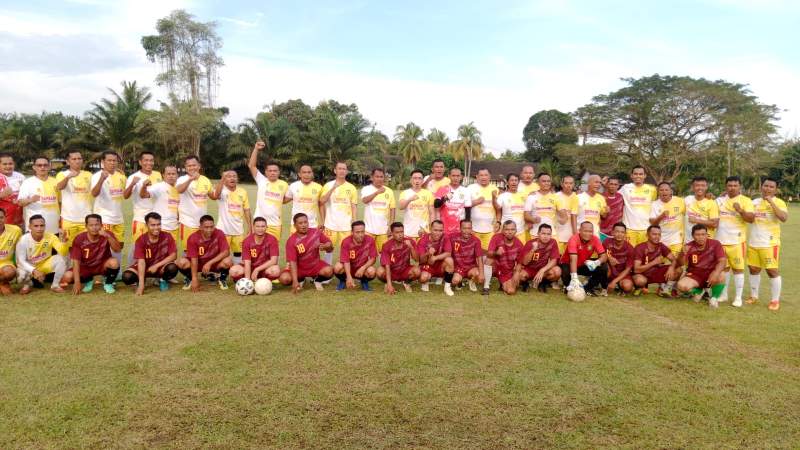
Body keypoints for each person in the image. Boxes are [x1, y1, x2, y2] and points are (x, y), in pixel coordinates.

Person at [747, 177, 788, 311]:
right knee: (753, 269)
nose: (768, 189)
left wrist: (771, 202)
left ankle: (775, 300)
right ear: (761, 187)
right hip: (754, 242)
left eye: (771, 187)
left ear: (775, 190)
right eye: (766, 186)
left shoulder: (779, 202)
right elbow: (746, 215)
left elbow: (783, 218)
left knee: (772, 271)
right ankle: (754, 296)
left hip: (770, 243)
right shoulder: (754, 202)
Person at [715, 176, 754, 307]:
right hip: (720, 241)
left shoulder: (746, 201)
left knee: (738, 270)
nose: (732, 188)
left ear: (740, 186)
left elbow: (751, 219)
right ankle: (724, 295)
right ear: (726, 186)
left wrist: (740, 210)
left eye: (735, 185)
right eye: (730, 185)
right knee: (724, 270)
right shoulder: (719, 200)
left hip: (737, 242)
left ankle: (738, 298)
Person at [121, 212, 179, 295]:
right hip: (145, 267)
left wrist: (156, 266)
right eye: (153, 225)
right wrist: (141, 286)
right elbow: (141, 262)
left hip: (160, 267)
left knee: (172, 268)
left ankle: (162, 280)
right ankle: (141, 281)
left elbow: (174, 255)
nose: (156, 228)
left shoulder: (167, 236)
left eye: (158, 224)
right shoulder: (141, 240)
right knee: (127, 277)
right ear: (146, 225)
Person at [63, 214, 121, 295]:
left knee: (114, 263)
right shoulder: (79, 239)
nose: (94, 227)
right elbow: (76, 262)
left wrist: (107, 236)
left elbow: (117, 250)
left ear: (101, 225)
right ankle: (88, 280)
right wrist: (77, 282)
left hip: (102, 265)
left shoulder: (107, 234)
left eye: (97, 225)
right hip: (85, 268)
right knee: (67, 277)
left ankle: (108, 283)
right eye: (91, 225)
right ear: (86, 226)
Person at [675, 224, 727, 308]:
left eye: (703, 234)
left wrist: (716, 273)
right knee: (681, 286)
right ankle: (699, 291)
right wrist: (682, 253)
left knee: (721, 274)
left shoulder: (715, 244)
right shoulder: (688, 246)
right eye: (697, 235)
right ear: (693, 236)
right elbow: (681, 263)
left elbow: (722, 261)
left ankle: (714, 299)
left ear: (707, 235)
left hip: (710, 274)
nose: (701, 237)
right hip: (695, 275)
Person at [177, 215, 233, 292]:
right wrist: (195, 279)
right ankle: (190, 278)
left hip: (214, 264)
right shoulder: (193, 238)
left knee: (228, 261)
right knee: (181, 262)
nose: (209, 230)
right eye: (206, 227)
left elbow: (226, 252)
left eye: (211, 227)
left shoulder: (219, 233)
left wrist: (209, 263)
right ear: (200, 227)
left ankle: (221, 279)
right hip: (199, 265)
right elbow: (194, 259)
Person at [280, 213, 334, 293]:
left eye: (305, 222)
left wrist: (327, 246)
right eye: (300, 223)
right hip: (299, 268)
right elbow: (292, 262)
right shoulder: (291, 241)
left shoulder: (316, 233)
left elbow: (330, 247)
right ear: (295, 225)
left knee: (329, 271)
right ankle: (300, 279)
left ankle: (317, 280)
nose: (304, 225)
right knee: (284, 279)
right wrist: (295, 281)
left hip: (315, 265)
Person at [15, 215, 68, 294]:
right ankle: (27, 285)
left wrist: (63, 242)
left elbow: (63, 252)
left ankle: (55, 285)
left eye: (41, 225)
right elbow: (21, 261)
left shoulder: (51, 236)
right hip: (29, 266)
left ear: (45, 226)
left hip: (43, 264)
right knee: (21, 276)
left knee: (62, 259)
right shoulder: (23, 239)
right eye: (36, 226)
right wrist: (34, 271)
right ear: (30, 227)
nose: (39, 229)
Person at [91, 151, 127, 266]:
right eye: (109, 160)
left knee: (119, 245)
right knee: (105, 246)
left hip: (119, 218)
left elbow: (126, 193)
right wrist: (102, 179)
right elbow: (94, 193)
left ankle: (117, 272)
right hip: (105, 218)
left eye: (114, 160)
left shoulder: (121, 176)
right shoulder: (97, 176)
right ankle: (103, 271)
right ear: (103, 162)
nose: (112, 163)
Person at [467, 168, 500, 293]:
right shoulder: (471, 188)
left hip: (489, 230)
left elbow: (498, 209)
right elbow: (465, 205)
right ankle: (473, 278)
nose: (484, 177)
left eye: (486, 175)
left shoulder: (495, 189)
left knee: (489, 256)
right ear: (477, 176)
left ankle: (486, 284)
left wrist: (498, 221)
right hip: (473, 229)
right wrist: (476, 201)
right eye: (481, 175)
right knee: (472, 256)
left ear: (489, 176)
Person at [248, 141, 290, 240]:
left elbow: (285, 199)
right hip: (259, 222)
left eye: (275, 171)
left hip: (275, 224)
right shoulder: (261, 180)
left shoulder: (284, 185)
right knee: (257, 248)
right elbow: (251, 166)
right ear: (266, 172)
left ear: (279, 172)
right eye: (270, 171)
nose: (272, 173)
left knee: (273, 249)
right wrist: (256, 149)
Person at [319, 161, 358, 265]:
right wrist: (333, 188)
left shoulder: (351, 188)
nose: (342, 171)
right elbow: (321, 202)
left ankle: (344, 272)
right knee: (328, 248)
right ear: (335, 170)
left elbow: (354, 206)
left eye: (344, 169)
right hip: (330, 225)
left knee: (346, 249)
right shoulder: (328, 185)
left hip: (346, 226)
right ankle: (327, 273)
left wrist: (354, 222)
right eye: (339, 168)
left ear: (347, 171)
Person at [210, 170, 251, 264]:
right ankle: (220, 274)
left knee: (238, 253)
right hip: (224, 230)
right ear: (224, 179)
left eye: (234, 176)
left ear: (237, 179)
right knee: (222, 253)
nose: (232, 178)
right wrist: (222, 179)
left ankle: (236, 272)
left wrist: (250, 226)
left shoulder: (242, 192)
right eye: (228, 176)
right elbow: (216, 195)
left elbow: (247, 209)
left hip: (238, 230)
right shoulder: (222, 190)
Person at [124, 151, 163, 248]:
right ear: (140, 162)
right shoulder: (133, 177)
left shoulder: (158, 175)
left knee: (155, 247)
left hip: (156, 219)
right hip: (141, 219)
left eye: (151, 160)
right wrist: (133, 183)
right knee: (138, 247)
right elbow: (125, 196)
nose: (149, 163)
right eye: (146, 160)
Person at [560, 221, 609, 297]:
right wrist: (574, 277)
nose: (588, 233)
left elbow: (604, 256)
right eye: (585, 231)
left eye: (590, 231)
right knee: (566, 273)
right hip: (569, 264)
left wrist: (596, 262)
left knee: (603, 267)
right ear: (580, 230)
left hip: (582, 264)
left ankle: (587, 289)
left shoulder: (595, 239)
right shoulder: (573, 239)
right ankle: (567, 286)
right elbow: (573, 260)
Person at [55, 150, 93, 245]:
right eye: (74, 159)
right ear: (68, 161)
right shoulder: (62, 174)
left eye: (79, 158)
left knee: (85, 246)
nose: (77, 161)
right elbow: (59, 187)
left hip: (86, 219)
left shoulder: (88, 175)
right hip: (68, 219)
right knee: (67, 247)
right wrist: (68, 177)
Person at [176, 155, 214, 251]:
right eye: (189, 166)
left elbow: (213, 196)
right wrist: (191, 179)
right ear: (185, 167)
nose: (192, 168)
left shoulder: (205, 180)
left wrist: (221, 184)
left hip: (202, 223)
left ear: (199, 166)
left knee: (203, 249)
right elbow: (179, 190)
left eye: (194, 165)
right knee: (187, 250)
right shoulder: (182, 179)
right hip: (187, 222)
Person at [632, 225, 681, 297]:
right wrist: (654, 262)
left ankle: (665, 288)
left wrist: (671, 267)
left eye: (659, 234)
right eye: (654, 234)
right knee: (640, 281)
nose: (657, 237)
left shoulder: (661, 246)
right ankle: (639, 287)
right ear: (647, 235)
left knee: (679, 269)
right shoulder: (640, 248)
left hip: (655, 272)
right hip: (642, 274)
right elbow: (636, 270)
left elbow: (674, 260)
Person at [230, 217, 281, 282]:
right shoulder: (247, 241)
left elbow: (274, 261)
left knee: (275, 270)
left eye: (263, 226)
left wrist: (257, 269)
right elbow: (247, 262)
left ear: (266, 227)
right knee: (233, 271)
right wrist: (247, 281)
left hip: (264, 268)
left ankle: (264, 282)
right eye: (257, 226)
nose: (260, 229)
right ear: (253, 227)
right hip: (250, 268)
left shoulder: (272, 239)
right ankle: (246, 280)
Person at [18, 156, 60, 234]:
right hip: (34, 228)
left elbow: (60, 202)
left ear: (49, 166)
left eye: (45, 165)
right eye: (39, 165)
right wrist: (30, 200)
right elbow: (20, 202)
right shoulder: (27, 183)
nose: (42, 167)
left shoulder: (56, 182)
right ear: (34, 167)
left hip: (53, 227)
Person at [139, 165, 180, 242]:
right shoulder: (159, 187)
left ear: (177, 175)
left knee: (173, 251)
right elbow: (143, 195)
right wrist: (144, 186)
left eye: (173, 174)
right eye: (168, 174)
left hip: (175, 227)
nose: (171, 176)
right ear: (163, 175)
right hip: (162, 226)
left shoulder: (179, 188)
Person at [376, 222, 420, 294]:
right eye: (397, 232)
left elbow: (417, 259)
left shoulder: (410, 241)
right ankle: (388, 283)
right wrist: (390, 285)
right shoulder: (386, 245)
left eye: (401, 232)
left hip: (404, 270)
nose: (400, 234)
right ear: (392, 233)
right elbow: (387, 265)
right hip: (392, 271)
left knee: (417, 271)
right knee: (379, 271)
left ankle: (406, 282)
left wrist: (411, 248)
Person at [516, 223, 561, 293]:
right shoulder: (530, 243)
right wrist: (533, 250)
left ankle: (543, 282)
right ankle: (528, 282)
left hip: (542, 270)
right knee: (519, 276)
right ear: (538, 234)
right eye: (543, 233)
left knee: (557, 271)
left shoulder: (553, 242)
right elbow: (524, 262)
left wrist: (543, 270)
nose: (546, 236)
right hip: (529, 270)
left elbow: (554, 260)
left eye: (548, 234)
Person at [334, 220, 377, 291]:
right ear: (352, 232)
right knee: (337, 267)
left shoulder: (370, 240)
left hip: (361, 269)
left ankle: (364, 282)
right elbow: (346, 261)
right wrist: (348, 276)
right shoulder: (346, 242)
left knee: (372, 271)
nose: (360, 234)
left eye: (362, 231)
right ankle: (343, 281)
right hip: (349, 268)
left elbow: (373, 258)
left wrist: (363, 268)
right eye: (357, 232)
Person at [619, 165, 657, 246]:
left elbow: (655, 205)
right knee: (630, 255)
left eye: (640, 174)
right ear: (631, 175)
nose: (638, 176)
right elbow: (614, 197)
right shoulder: (625, 188)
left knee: (644, 255)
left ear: (645, 176)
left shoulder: (652, 189)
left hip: (646, 229)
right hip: (629, 229)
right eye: (635, 174)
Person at [361, 168, 396, 251]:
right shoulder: (366, 189)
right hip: (369, 229)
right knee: (367, 253)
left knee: (384, 253)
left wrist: (391, 226)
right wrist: (377, 192)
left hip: (383, 230)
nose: (379, 179)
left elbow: (392, 209)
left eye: (381, 177)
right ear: (372, 177)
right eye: (377, 176)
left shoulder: (389, 191)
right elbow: (365, 200)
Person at [417, 220, 455, 296]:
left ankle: (447, 287)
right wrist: (428, 253)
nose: (438, 233)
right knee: (423, 278)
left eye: (440, 230)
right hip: (428, 265)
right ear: (430, 229)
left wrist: (435, 258)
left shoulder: (445, 237)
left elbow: (448, 253)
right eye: (435, 230)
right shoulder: (423, 240)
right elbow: (421, 260)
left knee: (449, 260)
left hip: (440, 266)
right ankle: (426, 281)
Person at [486, 220, 524, 295]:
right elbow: (488, 254)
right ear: (503, 231)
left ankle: (503, 283)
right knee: (488, 260)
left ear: (516, 231)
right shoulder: (496, 237)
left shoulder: (519, 244)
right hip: (495, 267)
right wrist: (496, 253)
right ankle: (486, 286)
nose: (510, 232)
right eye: (507, 229)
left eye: (512, 229)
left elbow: (520, 262)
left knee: (511, 291)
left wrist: (516, 273)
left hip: (507, 271)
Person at [649, 182, 685, 256]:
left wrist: (708, 196)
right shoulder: (654, 204)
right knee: (662, 265)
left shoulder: (680, 201)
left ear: (671, 191)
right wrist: (661, 216)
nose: (664, 192)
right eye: (661, 190)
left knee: (676, 263)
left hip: (677, 240)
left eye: (666, 190)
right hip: (661, 240)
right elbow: (653, 224)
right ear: (658, 192)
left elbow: (694, 201)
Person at [448, 220, 485, 292]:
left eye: (469, 228)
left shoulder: (476, 240)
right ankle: (459, 282)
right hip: (458, 268)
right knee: (454, 281)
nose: (467, 231)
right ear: (460, 228)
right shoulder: (452, 237)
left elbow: (479, 257)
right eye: (464, 228)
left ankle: (472, 281)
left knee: (478, 274)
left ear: (471, 229)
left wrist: (482, 274)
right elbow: (441, 236)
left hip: (471, 267)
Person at [399, 169, 435, 239]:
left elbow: (432, 213)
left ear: (422, 180)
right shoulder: (405, 193)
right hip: (408, 231)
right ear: (411, 180)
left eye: (419, 178)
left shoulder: (428, 194)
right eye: (415, 178)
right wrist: (409, 200)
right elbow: (401, 207)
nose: (417, 181)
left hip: (424, 231)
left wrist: (431, 227)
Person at [433, 167, 470, 235]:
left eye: (458, 176)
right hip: (444, 229)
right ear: (449, 176)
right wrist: (445, 198)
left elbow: (468, 210)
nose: (455, 178)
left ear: (461, 177)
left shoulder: (466, 191)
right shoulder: (442, 189)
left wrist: (467, 228)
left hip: (459, 230)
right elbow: (436, 205)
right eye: (453, 176)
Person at [285, 164, 322, 229]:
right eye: (304, 172)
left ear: (312, 174)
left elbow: (322, 204)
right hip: (296, 225)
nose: (306, 175)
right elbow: (283, 200)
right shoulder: (293, 186)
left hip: (312, 224)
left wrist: (322, 221)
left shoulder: (319, 187)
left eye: (309, 172)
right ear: (299, 174)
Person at [684, 176, 719, 242]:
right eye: (697, 185)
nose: (700, 188)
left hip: (706, 242)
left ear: (706, 187)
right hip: (689, 242)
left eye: (703, 185)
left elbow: (715, 224)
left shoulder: (711, 203)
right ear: (692, 187)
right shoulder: (687, 199)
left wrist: (697, 220)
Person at [604, 223, 635, 295]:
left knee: (627, 287)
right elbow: (601, 255)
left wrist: (614, 282)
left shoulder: (630, 248)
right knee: (603, 266)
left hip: (622, 274)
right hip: (610, 271)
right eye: (617, 231)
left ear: (625, 234)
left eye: (622, 232)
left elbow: (628, 269)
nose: (619, 234)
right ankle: (601, 282)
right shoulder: (607, 242)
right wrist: (609, 258)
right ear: (612, 232)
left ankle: (616, 284)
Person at [495, 173, 527, 243]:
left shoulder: (524, 195)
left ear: (518, 182)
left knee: (521, 253)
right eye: (512, 180)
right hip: (506, 232)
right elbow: (498, 209)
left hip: (520, 231)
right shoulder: (502, 196)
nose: (514, 182)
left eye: (516, 180)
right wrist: (494, 197)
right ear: (507, 182)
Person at [524, 172, 558, 237]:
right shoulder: (532, 196)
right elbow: (526, 215)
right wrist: (533, 220)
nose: (546, 183)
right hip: (535, 234)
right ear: (538, 183)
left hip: (551, 234)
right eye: (544, 181)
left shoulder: (556, 197)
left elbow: (562, 214)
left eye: (548, 181)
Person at [553, 175, 578, 254]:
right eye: (566, 183)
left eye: (571, 183)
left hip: (570, 234)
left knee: (569, 257)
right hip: (557, 233)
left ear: (573, 184)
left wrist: (575, 234)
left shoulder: (575, 197)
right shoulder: (555, 196)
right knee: (558, 257)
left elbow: (574, 215)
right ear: (562, 184)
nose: (568, 185)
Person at [0, 208, 22, 295]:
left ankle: (2, 282)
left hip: (5, 264)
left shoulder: (15, 230)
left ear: (5, 218)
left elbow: (21, 249)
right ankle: (3, 284)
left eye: (1, 217)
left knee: (10, 272)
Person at [0, 153, 25, 227]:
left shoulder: (20, 176)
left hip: (19, 220)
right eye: (4, 164)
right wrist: (1, 195)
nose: (8, 166)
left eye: (10, 164)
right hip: (2, 223)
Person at [599, 176, 624, 241]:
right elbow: (602, 216)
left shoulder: (620, 197)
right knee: (603, 251)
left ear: (618, 186)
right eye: (611, 184)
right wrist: (605, 212)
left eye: (615, 184)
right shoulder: (601, 197)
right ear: (607, 184)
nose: (613, 186)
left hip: (617, 233)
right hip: (603, 232)